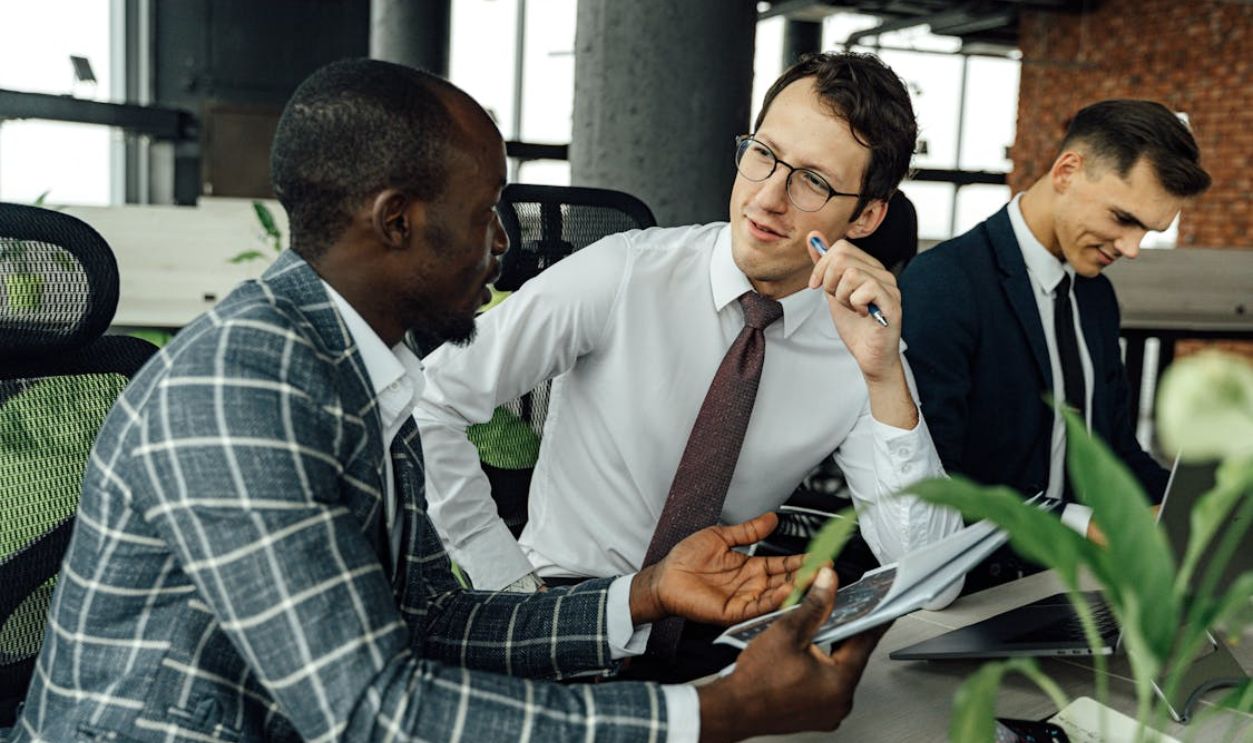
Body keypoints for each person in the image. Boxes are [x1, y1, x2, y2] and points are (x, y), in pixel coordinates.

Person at [12, 59, 885, 742]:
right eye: (485, 213)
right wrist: (717, 714)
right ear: (398, 221)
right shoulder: (241, 386)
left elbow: (430, 620)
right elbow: (372, 715)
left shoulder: (358, 367)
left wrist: (645, 593)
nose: (503, 244)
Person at [416, 51, 963, 680]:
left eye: (813, 180)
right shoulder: (624, 272)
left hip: (720, 629)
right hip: (566, 605)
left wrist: (883, 375)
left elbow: (931, 578)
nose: (768, 196)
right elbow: (429, 402)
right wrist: (507, 585)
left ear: (866, 216)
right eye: (764, 153)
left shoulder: (860, 342)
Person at [899, 99, 1211, 592]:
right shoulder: (944, 284)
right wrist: (1080, 522)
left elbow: (1115, 453)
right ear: (1067, 171)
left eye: (1147, 233)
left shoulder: (1096, 296)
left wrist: (1199, 509)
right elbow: (931, 480)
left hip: (1076, 587)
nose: (1131, 249)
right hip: (971, 592)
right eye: (1122, 218)